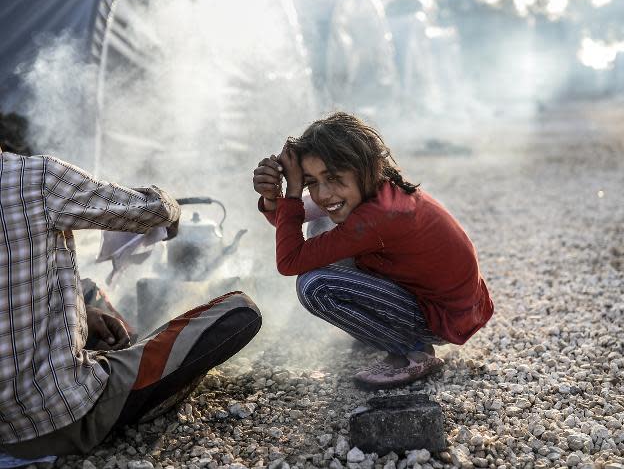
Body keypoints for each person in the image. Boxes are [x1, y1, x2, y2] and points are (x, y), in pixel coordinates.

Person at [0, 118, 262, 457]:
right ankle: (131, 373)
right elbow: (153, 211)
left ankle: (124, 349)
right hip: (59, 418)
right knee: (241, 310)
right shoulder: (33, 178)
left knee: (86, 289)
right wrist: (171, 202)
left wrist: (82, 311)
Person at [252, 112, 493, 388]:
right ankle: (383, 329)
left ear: (366, 167)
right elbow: (289, 219)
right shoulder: (368, 188)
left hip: (442, 318)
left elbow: (289, 260)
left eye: (332, 177)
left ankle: (413, 350)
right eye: (311, 182)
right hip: (441, 302)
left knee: (314, 285)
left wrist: (293, 190)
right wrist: (274, 198)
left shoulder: (378, 217)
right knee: (321, 225)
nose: (323, 193)